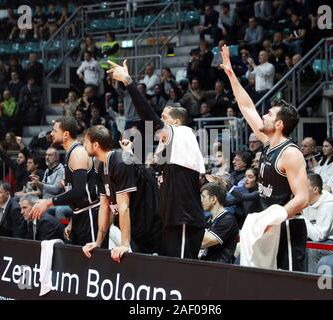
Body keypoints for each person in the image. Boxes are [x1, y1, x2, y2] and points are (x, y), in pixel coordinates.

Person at [220, 45, 309, 271]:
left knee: (288, 288)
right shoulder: (268, 142)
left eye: (269, 114)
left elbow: (302, 198)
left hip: (287, 226)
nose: (263, 116)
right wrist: (231, 74)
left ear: (279, 124)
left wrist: (275, 218)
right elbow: (246, 106)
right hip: (267, 224)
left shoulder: (290, 153)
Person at [107, 59, 206, 259]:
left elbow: (148, 115)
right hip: (169, 220)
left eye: (165, 116)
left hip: (183, 219)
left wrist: (128, 81)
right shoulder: (168, 149)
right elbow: (152, 179)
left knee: (181, 274)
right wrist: (132, 156)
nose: (161, 120)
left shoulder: (183, 133)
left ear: (176, 122)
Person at [81, 126, 162, 262]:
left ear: (95, 145)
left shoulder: (121, 161)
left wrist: (124, 244)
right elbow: (104, 206)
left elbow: (124, 206)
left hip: (151, 227)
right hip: (136, 227)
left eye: (85, 141)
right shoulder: (101, 166)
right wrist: (98, 242)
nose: (83, 145)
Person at [30, 117, 100, 246]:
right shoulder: (71, 153)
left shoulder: (78, 153)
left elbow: (79, 191)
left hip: (90, 215)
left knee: (92, 263)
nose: (51, 133)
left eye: (55, 131)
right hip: (80, 213)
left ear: (66, 134)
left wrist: (48, 202)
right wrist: (72, 221)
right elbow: (74, 195)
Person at [199, 183, 239, 264]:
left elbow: (202, 242)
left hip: (219, 269)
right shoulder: (208, 219)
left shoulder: (228, 220)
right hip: (205, 264)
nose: (201, 200)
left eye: (203, 197)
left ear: (213, 199)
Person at [303, 173, 333, 242]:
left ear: (315, 189)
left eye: (303, 187)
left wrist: (300, 217)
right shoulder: (306, 201)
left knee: (306, 249)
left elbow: (319, 237)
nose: (299, 190)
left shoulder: (329, 205)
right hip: (317, 241)